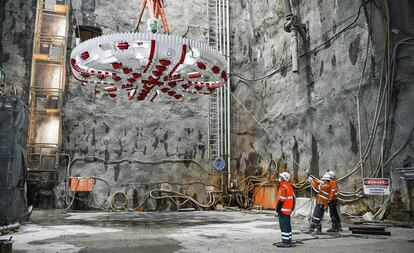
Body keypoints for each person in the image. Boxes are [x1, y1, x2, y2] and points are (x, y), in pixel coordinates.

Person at [275, 172, 295, 247]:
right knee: (287, 225)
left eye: (281, 177)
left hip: (283, 210)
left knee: (284, 226)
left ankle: (285, 242)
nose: (280, 178)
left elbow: (281, 200)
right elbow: (293, 199)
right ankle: (288, 239)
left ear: (284, 178)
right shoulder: (289, 186)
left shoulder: (283, 187)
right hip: (288, 210)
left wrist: (277, 210)